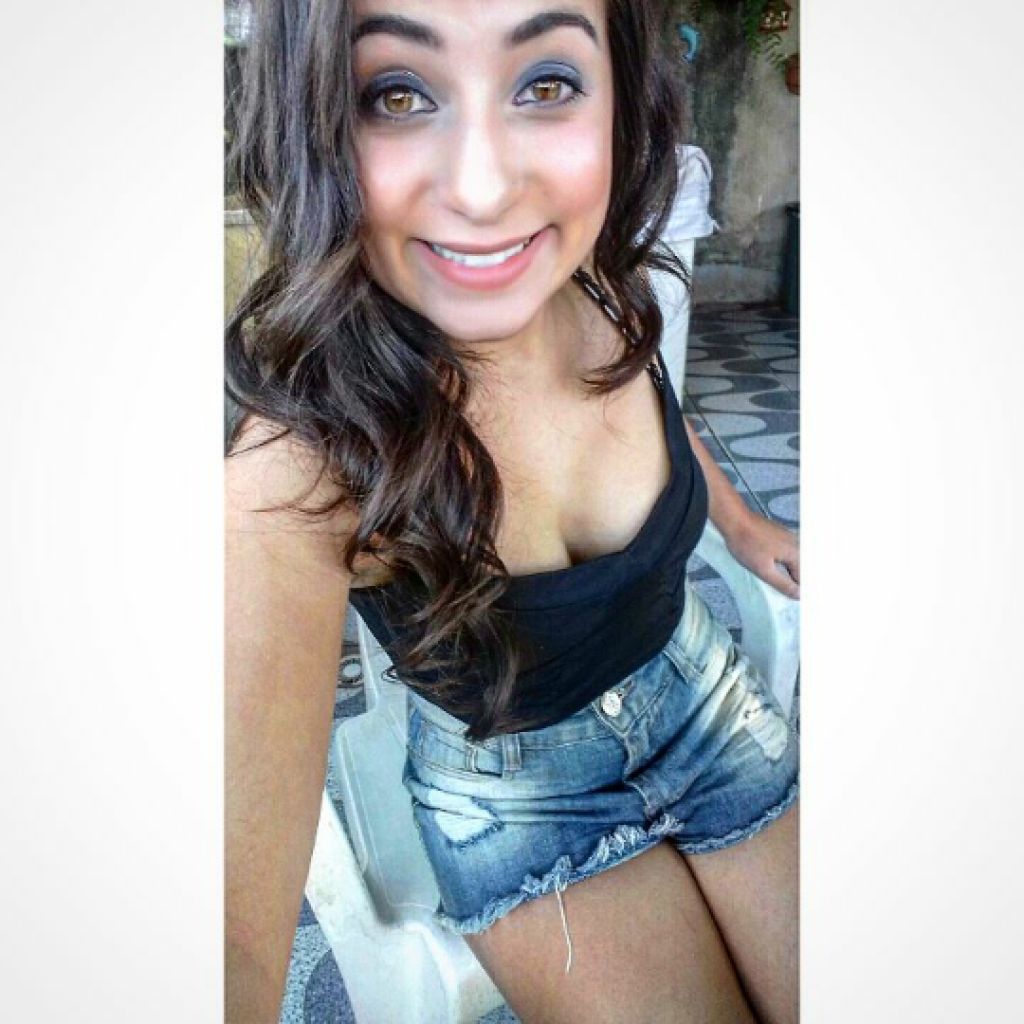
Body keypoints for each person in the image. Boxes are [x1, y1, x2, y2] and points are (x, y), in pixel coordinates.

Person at [225, 2, 801, 1022]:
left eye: (547, 83)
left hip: (708, 697)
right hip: (522, 801)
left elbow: (654, 397)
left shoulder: (597, 279)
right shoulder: (304, 463)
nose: (487, 189)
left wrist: (745, 527)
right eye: (394, 93)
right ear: (310, 121)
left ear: (622, 92)